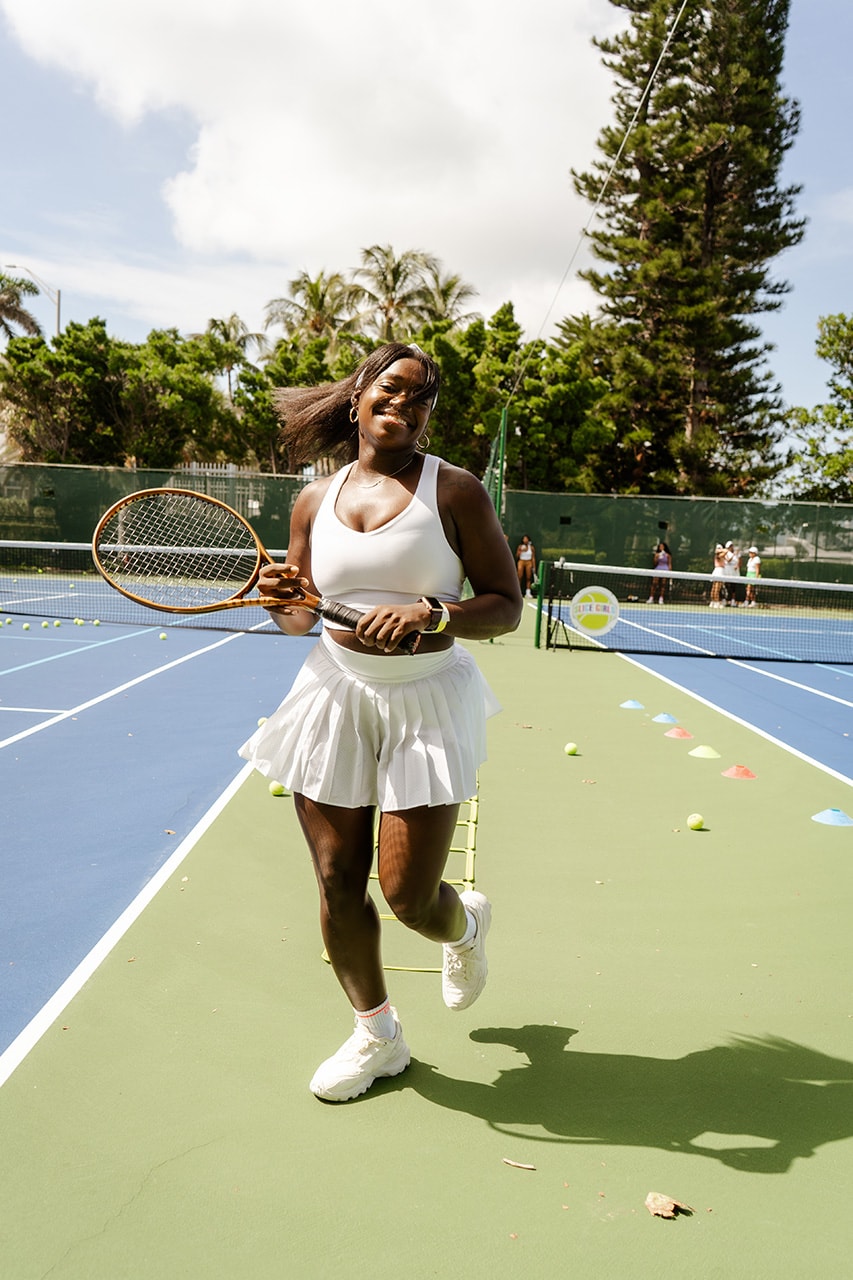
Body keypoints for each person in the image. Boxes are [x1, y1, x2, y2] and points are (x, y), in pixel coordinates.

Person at [238, 343, 523, 1103]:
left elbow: (503, 606)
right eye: (392, 388)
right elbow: (299, 618)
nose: (404, 403)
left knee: (407, 896)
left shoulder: (454, 490)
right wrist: (278, 599)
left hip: (427, 695)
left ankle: (463, 929)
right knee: (336, 879)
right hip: (334, 692)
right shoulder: (311, 500)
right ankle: (378, 1038)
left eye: (422, 397)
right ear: (359, 394)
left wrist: (434, 611)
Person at [723, 540, 742, 606]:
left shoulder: (738, 553)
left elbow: (740, 562)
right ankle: (725, 599)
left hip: (735, 572)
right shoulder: (725, 553)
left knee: (734, 586)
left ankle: (733, 601)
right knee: (726, 586)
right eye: (729, 547)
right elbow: (728, 560)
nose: (730, 548)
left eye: (731, 546)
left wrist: (737, 566)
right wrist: (734, 554)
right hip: (727, 571)